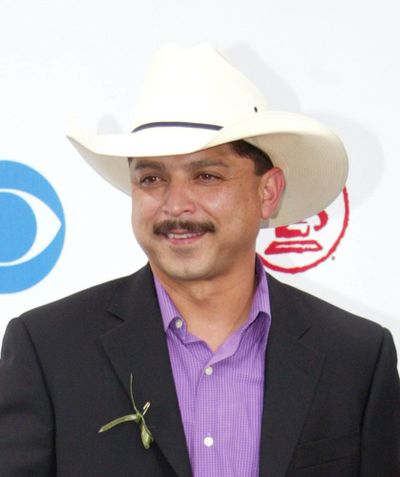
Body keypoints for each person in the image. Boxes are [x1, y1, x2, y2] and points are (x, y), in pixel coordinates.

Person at [0, 43, 399, 477]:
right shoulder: (48, 349)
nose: (176, 205)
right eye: (152, 178)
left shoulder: (356, 357)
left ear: (268, 192)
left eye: (206, 176)